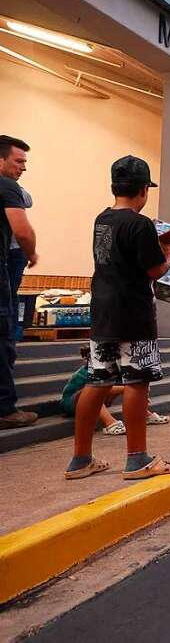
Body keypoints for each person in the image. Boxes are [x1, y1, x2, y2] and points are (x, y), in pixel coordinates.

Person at [65, 156, 170, 480]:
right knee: (137, 381)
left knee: (97, 380)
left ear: (114, 186)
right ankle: (137, 459)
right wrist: (169, 255)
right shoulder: (140, 223)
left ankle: (80, 459)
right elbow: (154, 269)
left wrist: (158, 242)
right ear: (144, 189)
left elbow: (118, 255)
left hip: (103, 312)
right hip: (133, 314)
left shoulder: (102, 220)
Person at [0, 135, 38, 430]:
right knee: (3, 333)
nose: (23, 167)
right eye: (19, 161)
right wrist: (32, 253)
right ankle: (4, 408)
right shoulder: (7, 186)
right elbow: (22, 231)